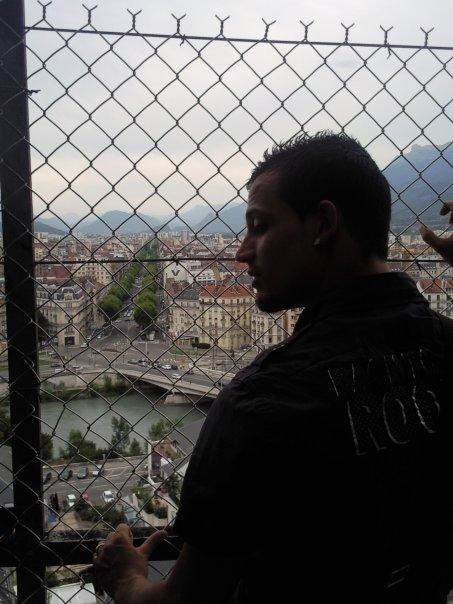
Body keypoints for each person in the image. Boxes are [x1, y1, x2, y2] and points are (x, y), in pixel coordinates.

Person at [94, 132, 453, 603]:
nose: (242, 250)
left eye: (259, 227)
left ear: (322, 224)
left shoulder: (261, 403)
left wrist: (126, 580)